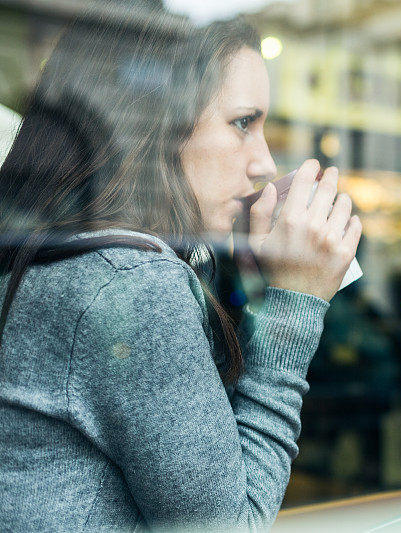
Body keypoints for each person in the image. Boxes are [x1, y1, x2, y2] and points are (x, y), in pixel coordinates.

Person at [0, 3, 361, 531]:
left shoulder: (69, 262)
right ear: (157, 127)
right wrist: (295, 302)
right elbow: (229, 525)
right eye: (243, 123)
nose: (264, 163)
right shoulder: (129, 286)